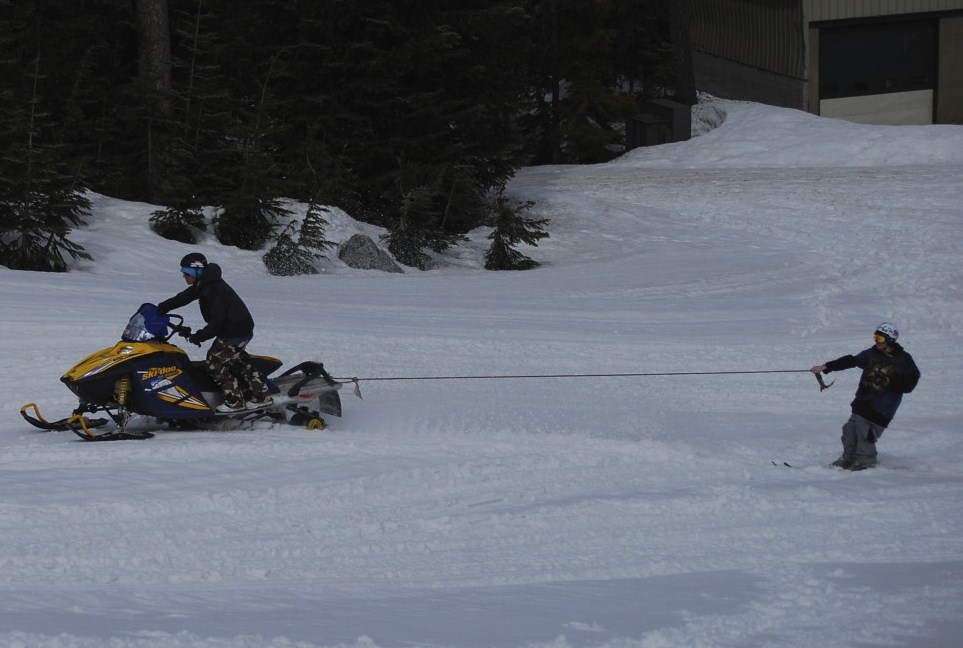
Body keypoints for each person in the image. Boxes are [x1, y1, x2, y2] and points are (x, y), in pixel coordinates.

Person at [158, 252, 274, 413]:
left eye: (187, 273)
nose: (184, 277)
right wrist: (161, 308)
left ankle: (235, 403)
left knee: (215, 363)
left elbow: (218, 321)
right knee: (236, 361)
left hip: (235, 330)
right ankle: (262, 396)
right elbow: (184, 297)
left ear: (197, 271)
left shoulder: (212, 289)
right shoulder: (205, 283)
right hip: (237, 327)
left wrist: (201, 335)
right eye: (183, 273)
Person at [810, 322, 920, 471]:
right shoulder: (872, 353)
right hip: (863, 401)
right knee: (849, 430)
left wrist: (894, 384)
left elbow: (913, 378)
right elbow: (852, 360)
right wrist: (826, 367)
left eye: (880, 338)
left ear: (890, 340)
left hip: (882, 407)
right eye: (875, 337)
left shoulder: (903, 359)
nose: (876, 341)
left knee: (865, 434)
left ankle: (865, 462)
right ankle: (848, 458)